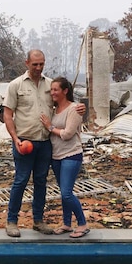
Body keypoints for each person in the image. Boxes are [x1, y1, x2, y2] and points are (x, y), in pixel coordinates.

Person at [2, 50, 84, 238]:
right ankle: (12, 221)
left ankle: (38, 220)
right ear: (27, 63)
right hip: (24, 141)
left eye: (41, 64)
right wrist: (15, 139)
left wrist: (79, 107)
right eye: (35, 64)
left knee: (41, 182)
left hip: (45, 143)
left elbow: (63, 102)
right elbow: (7, 114)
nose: (38, 68)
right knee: (21, 180)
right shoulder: (16, 85)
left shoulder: (50, 85)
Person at [40, 77, 89, 238]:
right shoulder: (54, 110)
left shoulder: (74, 109)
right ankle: (67, 224)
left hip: (71, 154)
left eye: (56, 90)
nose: (52, 93)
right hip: (57, 156)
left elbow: (68, 134)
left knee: (67, 193)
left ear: (65, 91)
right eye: (51, 90)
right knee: (63, 192)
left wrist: (50, 127)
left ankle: (82, 223)